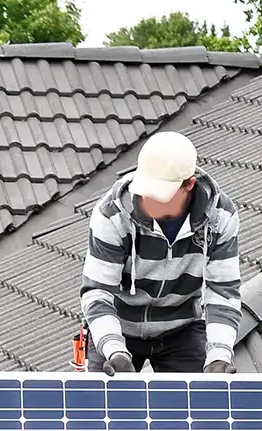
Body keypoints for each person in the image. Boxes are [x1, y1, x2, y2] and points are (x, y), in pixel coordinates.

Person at [80, 130, 241, 374]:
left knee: (202, 405)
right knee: (104, 407)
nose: (149, 202)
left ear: (189, 184)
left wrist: (219, 353)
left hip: (181, 329)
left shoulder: (220, 218)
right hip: (118, 325)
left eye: (160, 196)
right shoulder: (111, 214)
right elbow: (98, 292)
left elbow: (223, 291)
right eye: (147, 192)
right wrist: (113, 348)